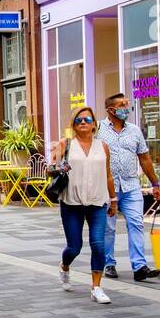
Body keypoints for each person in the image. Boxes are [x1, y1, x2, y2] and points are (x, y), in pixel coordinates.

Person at [52, 106, 118, 304]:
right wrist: (56, 165)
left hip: (97, 202)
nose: (83, 123)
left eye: (87, 120)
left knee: (98, 244)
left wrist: (113, 200)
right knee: (74, 247)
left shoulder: (103, 146)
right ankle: (64, 266)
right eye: (79, 120)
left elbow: (107, 175)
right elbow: (52, 170)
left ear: (94, 124)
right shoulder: (66, 144)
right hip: (71, 202)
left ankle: (96, 287)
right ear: (73, 124)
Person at [97, 93, 160, 282]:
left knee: (136, 223)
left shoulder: (134, 131)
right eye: (122, 105)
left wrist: (155, 183)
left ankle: (140, 266)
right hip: (107, 188)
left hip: (131, 185)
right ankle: (109, 263)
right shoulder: (99, 129)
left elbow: (144, 158)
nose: (126, 108)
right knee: (108, 228)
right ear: (110, 110)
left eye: (126, 104)